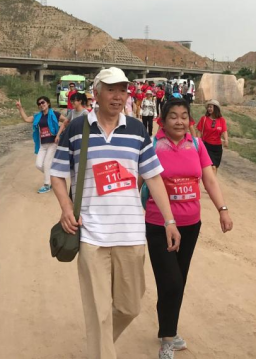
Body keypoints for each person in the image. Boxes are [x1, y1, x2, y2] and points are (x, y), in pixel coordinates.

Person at [50, 67, 180, 359]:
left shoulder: (137, 130)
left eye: (122, 90)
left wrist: (169, 220)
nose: (118, 96)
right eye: (111, 89)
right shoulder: (77, 129)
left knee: (129, 306)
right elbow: (57, 174)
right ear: (96, 93)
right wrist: (66, 208)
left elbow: (153, 177)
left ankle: (99, 345)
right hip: (91, 235)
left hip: (130, 234)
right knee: (98, 313)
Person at [142, 97, 233, 359]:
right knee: (170, 281)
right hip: (159, 225)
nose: (179, 121)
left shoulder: (197, 144)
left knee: (178, 281)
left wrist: (222, 209)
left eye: (184, 116)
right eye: (173, 116)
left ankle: (168, 329)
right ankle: (168, 339)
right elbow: (137, 181)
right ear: (162, 120)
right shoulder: (152, 146)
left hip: (191, 225)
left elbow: (210, 180)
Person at [15, 95, 67, 194]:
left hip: (53, 143)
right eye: (39, 104)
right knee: (39, 165)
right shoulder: (37, 116)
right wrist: (20, 108)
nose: (41, 105)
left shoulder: (55, 114)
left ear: (48, 103)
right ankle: (54, 177)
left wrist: (59, 134)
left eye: (43, 102)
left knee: (47, 164)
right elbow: (26, 119)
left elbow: (66, 121)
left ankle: (47, 185)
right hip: (43, 144)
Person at [196, 100, 229, 170]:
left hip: (217, 148)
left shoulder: (221, 120)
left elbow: (224, 131)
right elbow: (199, 132)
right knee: (212, 167)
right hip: (207, 146)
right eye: (208, 107)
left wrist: (226, 140)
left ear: (216, 108)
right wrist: (197, 143)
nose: (209, 109)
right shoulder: (204, 119)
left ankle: (212, 178)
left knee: (215, 167)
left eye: (211, 107)